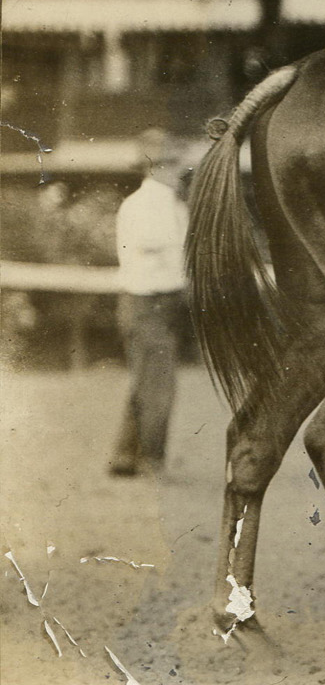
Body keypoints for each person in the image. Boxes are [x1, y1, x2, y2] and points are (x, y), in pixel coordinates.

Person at [108, 128, 189, 477]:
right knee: (157, 384)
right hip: (146, 302)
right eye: (170, 164)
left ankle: (125, 457)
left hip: (164, 303)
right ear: (154, 168)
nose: (177, 172)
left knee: (148, 381)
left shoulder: (173, 206)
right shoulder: (142, 205)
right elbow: (157, 251)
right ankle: (151, 460)